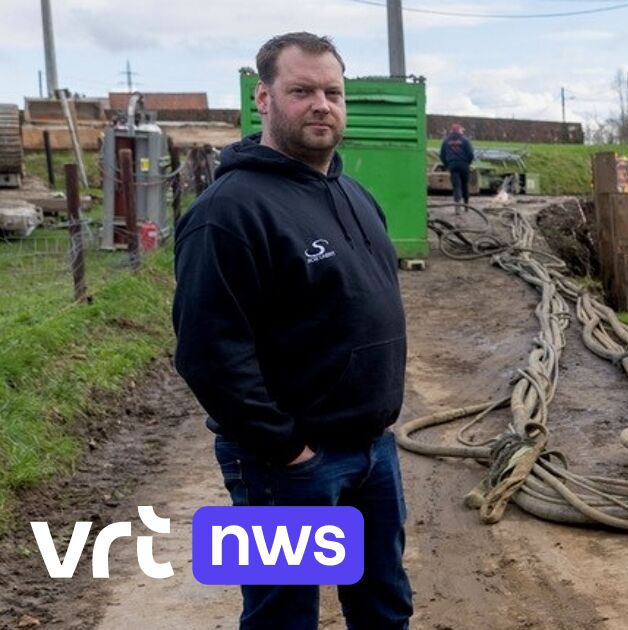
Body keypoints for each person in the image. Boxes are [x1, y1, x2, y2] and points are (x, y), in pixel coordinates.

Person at [172, 32, 412, 629]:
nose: (321, 104)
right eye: (301, 91)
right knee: (282, 616)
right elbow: (208, 354)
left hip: (374, 451)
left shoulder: (355, 194)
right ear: (265, 98)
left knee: (385, 606)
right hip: (286, 465)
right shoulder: (229, 211)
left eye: (332, 92)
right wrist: (288, 450)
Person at [439, 122, 474, 211]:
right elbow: (470, 154)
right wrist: (468, 163)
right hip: (464, 164)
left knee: (456, 186)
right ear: (459, 130)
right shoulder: (465, 140)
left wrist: (447, 164)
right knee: (465, 185)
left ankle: (457, 206)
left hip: (452, 165)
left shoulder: (446, 141)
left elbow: (442, 155)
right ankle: (466, 205)